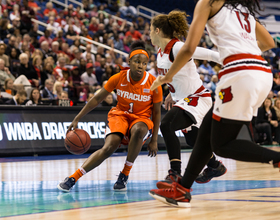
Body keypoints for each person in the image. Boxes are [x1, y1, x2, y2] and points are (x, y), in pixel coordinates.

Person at [149, 0, 276, 207]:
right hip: (261, 71)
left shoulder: (207, 3)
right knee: (203, 137)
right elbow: (269, 43)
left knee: (221, 144)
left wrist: (164, 79)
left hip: (238, 73)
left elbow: (189, 48)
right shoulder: (242, 9)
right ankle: (182, 189)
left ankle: (276, 158)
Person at [57, 41, 163, 192]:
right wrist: (77, 118)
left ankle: (124, 175)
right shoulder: (118, 77)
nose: (140, 66)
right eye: (137, 62)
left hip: (142, 119)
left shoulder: (154, 83)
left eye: (144, 63)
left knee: (139, 130)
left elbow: (157, 113)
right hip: (119, 116)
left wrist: (154, 140)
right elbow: (96, 98)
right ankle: (73, 178)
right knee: (109, 147)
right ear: (130, 62)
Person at [149, 10, 226, 189]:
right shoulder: (160, 52)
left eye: (151, 30)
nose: (149, 33)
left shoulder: (176, 47)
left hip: (197, 98)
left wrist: (229, 61)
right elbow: (176, 76)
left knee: (166, 124)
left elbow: (210, 55)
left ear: (158, 30)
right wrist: (171, 94)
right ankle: (215, 166)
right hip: (184, 99)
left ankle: (175, 173)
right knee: (193, 140)